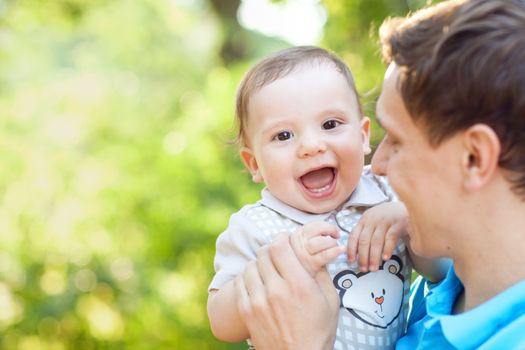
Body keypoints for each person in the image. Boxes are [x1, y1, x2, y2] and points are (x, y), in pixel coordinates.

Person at [233, 0, 525, 349]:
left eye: (397, 141)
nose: (378, 164)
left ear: (475, 158)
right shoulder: (435, 297)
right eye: (283, 135)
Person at [207, 46, 447, 349]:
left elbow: (440, 271)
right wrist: (281, 266)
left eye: (330, 125)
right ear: (254, 164)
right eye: (283, 136)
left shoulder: (388, 190)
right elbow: (221, 322)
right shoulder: (255, 226)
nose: (311, 145)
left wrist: (408, 219)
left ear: (362, 137)